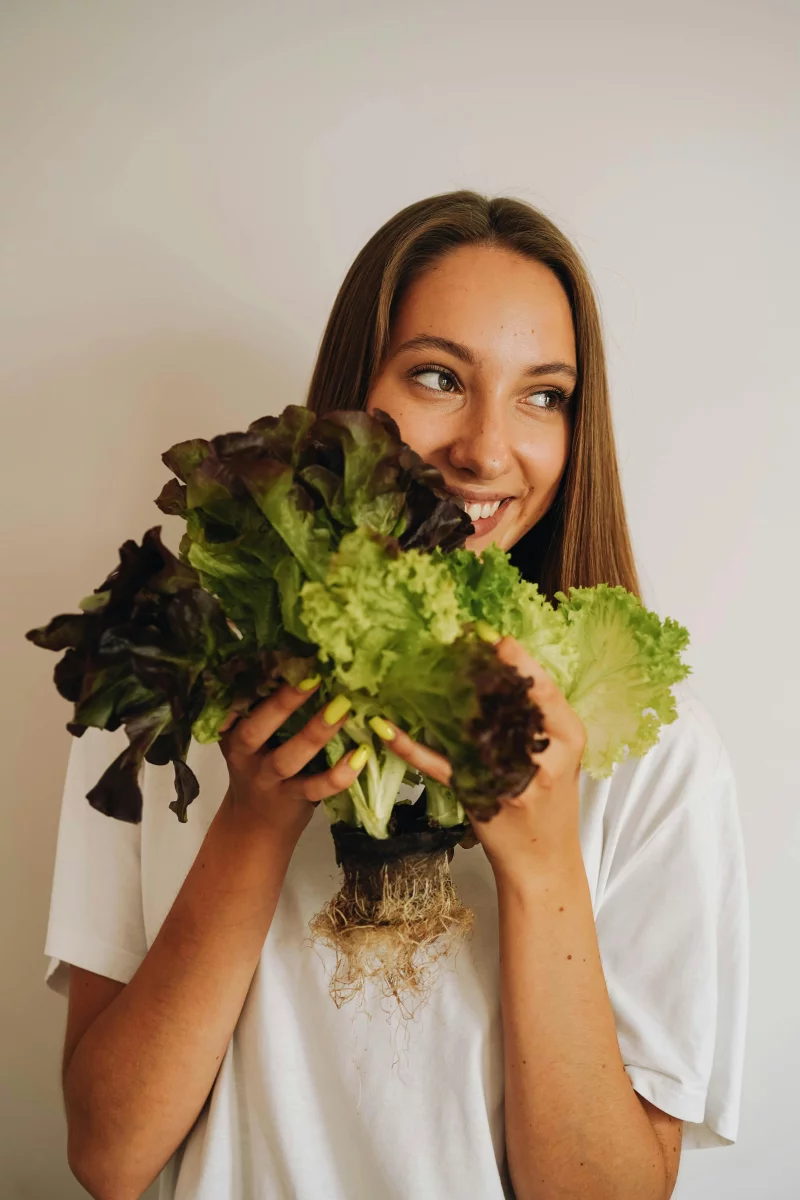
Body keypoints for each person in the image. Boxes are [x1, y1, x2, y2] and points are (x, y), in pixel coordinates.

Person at [44, 191, 748, 1200]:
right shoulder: (169, 692)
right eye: (436, 377)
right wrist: (253, 821)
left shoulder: (655, 750)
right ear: (349, 397)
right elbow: (107, 1156)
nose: (485, 449)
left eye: (542, 395)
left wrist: (545, 865)